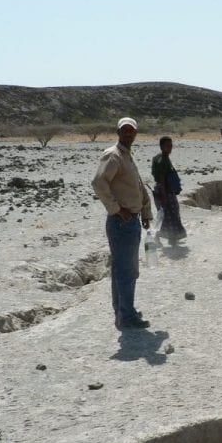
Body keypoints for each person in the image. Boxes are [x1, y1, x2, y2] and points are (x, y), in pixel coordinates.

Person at [91, 117, 152, 329]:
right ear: (118, 132)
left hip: (130, 221)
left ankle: (123, 311)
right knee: (127, 271)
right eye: (124, 130)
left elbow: (138, 187)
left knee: (121, 270)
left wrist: (145, 212)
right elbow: (98, 182)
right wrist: (117, 209)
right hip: (121, 222)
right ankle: (126, 316)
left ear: (135, 133)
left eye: (131, 130)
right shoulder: (113, 155)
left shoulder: (127, 156)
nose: (128, 133)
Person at [151, 136, 187, 245]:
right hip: (165, 190)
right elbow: (162, 178)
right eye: (167, 146)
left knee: (170, 213)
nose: (170, 148)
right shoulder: (162, 160)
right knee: (168, 215)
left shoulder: (160, 157)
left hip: (164, 190)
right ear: (161, 146)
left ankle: (172, 238)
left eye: (171, 146)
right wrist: (164, 196)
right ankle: (157, 236)